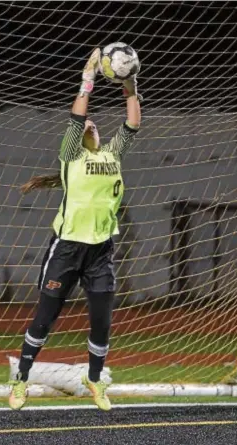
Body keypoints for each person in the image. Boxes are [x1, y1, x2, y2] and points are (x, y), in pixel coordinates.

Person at [9, 48, 141, 411]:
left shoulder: (111, 155)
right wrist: (88, 81)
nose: (91, 124)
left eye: (93, 123)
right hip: (66, 248)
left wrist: (130, 85)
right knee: (45, 319)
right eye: (86, 126)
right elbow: (75, 117)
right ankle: (20, 379)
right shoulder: (72, 157)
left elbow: (132, 124)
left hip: (101, 251)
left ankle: (94, 380)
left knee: (102, 324)